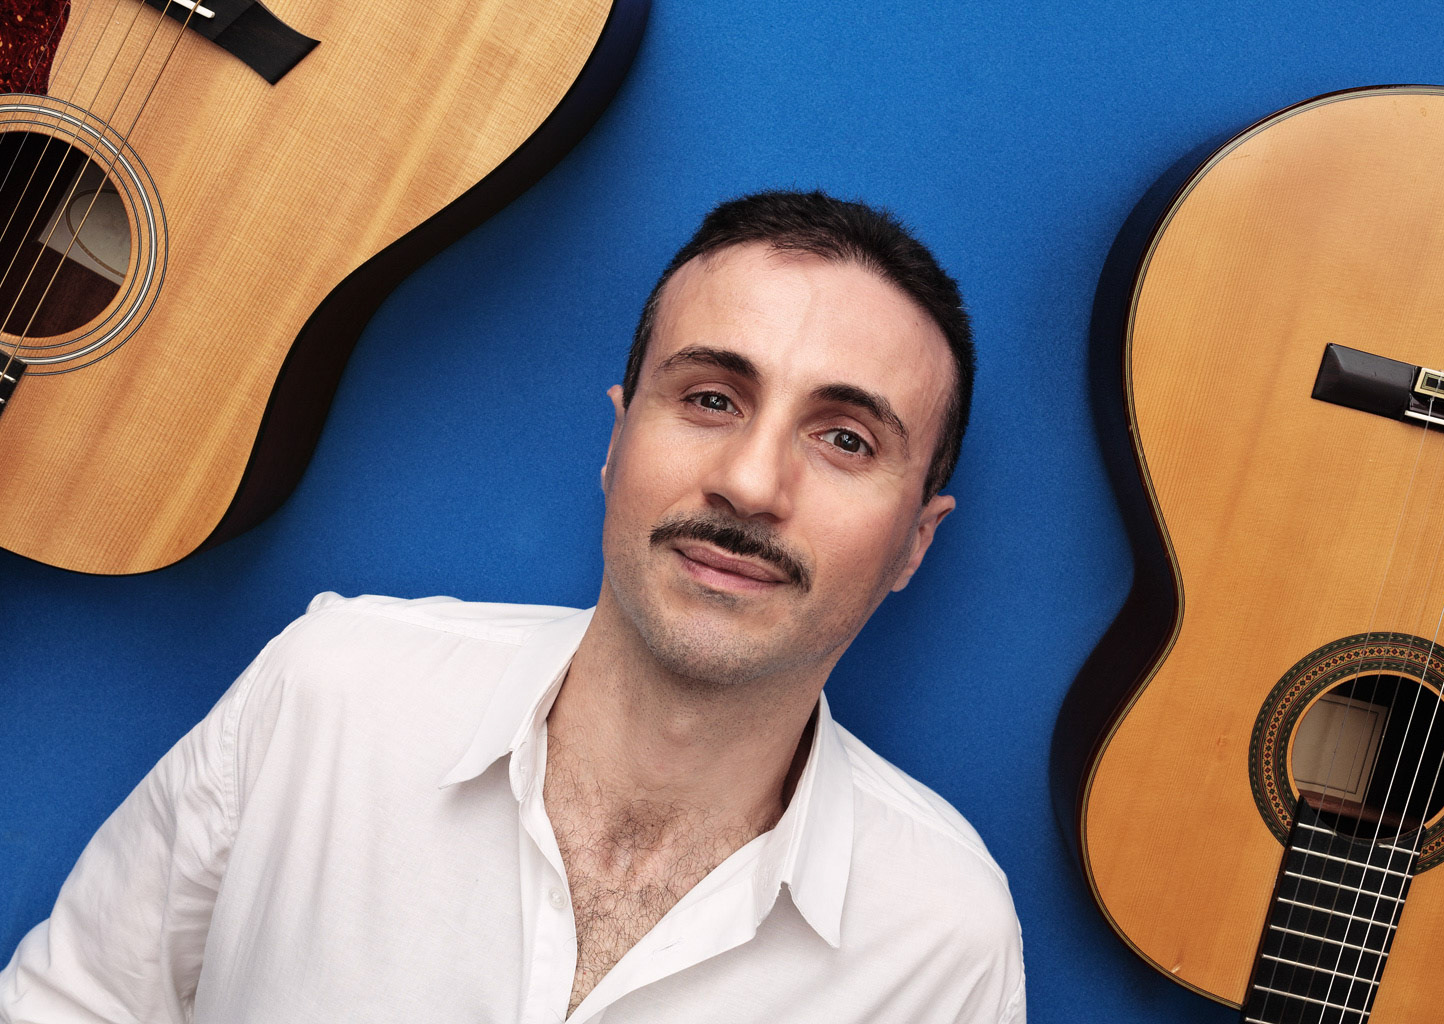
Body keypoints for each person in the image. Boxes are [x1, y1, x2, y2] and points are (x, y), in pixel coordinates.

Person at [0, 190, 1025, 1023]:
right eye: (711, 397)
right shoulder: (332, 690)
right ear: (618, 442)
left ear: (914, 543)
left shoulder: (942, 939)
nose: (752, 484)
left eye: (844, 438)